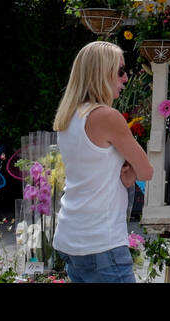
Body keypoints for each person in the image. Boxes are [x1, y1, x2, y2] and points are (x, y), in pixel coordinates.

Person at [52, 41, 154, 283]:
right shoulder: (107, 117)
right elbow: (147, 171)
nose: (126, 78)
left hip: (71, 236)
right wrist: (129, 174)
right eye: (120, 71)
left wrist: (126, 172)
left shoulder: (68, 116)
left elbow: (96, 167)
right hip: (100, 242)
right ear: (101, 73)